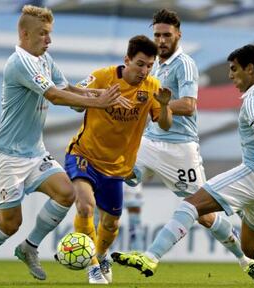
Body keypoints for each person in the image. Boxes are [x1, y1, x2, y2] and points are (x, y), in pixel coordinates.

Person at [113, 44, 254, 286]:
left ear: (250, 68)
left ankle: (150, 257)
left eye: (234, 69)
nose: (230, 76)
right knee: (252, 249)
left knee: (190, 206)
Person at [0, 5, 125, 284]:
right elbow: (55, 96)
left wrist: (104, 94)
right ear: (25, 34)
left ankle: (29, 247)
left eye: (50, 34)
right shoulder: (20, 62)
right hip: (7, 155)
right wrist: (97, 102)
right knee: (10, 224)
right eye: (43, 34)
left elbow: (70, 90)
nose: (48, 40)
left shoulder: (44, 59)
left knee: (66, 193)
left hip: (34, 152)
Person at [122, 9, 254, 283]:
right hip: (151, 142)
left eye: (167, 35)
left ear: (178, 35)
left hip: (180, 150)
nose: (161, 40)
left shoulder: (184, 64)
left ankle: (244, 258)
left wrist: (153, 106)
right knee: (116, 172)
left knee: (205, 215)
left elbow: (189, 106)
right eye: (157, 35)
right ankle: (101, 258)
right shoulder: (153, 65)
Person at [65, 35, 173, 284]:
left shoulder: (153, 87)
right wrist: (99, 97)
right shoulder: (102, 77)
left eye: (149, 65)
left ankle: (101, 256)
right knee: (85, 206)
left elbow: (166, 125)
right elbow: (74, 102)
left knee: (111, 224)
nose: (144, 71)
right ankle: (92, 266)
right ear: (127, 60)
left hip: (116, 168)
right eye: (140, 64)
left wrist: (165, 106)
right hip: (84, 155)